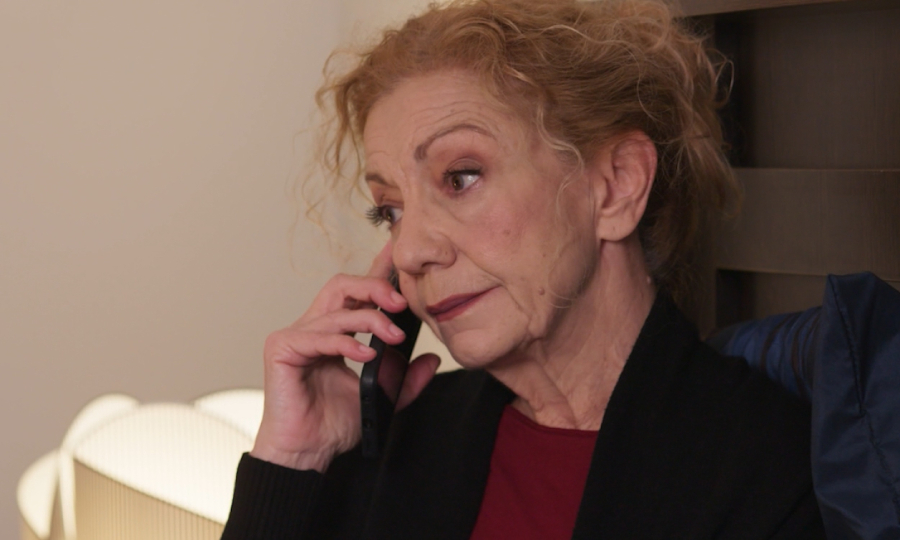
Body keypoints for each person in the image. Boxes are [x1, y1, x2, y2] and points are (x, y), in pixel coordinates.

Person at [222, 0, 826, 538]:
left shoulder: (767, 467)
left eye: (461, 178)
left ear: (616, 185)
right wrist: (292, 459)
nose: (409, 253)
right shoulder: (398, 442)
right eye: (390, 211)